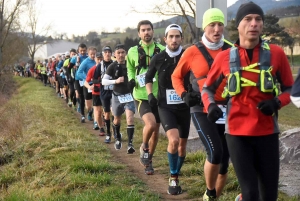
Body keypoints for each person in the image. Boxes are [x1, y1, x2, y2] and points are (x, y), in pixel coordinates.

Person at [201, 2, 294, 201]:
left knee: (269, 196)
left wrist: (276, 102)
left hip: (267, 132)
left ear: (262, 24)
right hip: (236, 134)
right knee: (251, 193)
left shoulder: (276, 54)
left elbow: (290, 89)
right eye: (248, 19)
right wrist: (210, 106)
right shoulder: (224, 58)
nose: (254, 24)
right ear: (238, 25)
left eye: (258, 19)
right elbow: (207, 88)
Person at [172, 8, 232, 200]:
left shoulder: (232, 50)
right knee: (214, 151)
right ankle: (210, 191)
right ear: (204, 27)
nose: (216, 29)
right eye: (212, 25)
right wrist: (183, 95)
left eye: (220, 24)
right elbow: (176, 76)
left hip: (227, 108)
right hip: (201, 107)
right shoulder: (192, 52)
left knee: (224, 161)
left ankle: (214, 197)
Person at [146, 24, 189, 195]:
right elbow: (148, 77)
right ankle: (173, 177)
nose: (174, 39)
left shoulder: (188, 56)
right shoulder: (158, 58)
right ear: (165, 39)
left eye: (177, 36)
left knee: (182, 147)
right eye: (170, 36)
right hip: (165, 106)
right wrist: (150, 94)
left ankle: (176, 173)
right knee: (174, 141)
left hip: (184, 106)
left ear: (181, 38)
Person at [127, 20, 165, 175]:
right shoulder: (132, 51)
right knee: (150, 124)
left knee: (156, 131)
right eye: (143, 30)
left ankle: (149, 160)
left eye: (149, 29)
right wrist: (131, 79)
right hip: (141, 95)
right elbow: (129, 67)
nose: (146, 32)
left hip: (159, 95)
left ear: (153, 31)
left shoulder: (162, 50)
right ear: (139, 33)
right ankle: (144, 147)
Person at [102, 44, 136, 153]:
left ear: (125, 53)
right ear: (114, 55)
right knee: (116, 119)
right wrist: (115, 81)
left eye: (122, 52)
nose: (121, 55)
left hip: (129, 95)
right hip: (117, 96)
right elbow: (104, 81)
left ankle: (130, 144)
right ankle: (117, 137)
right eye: (118, 53)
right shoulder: (112, 66)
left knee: (130, 118)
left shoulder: (130, 64)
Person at [93, 46, 114, 139]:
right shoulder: (99, 66)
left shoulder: (115, 64)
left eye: (109, 52)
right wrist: (101, 81)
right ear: (103, 54)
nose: (107, 54)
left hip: (114, 92)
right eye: (105, 52)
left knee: (115, 113)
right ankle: (108, 133)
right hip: (104, 92)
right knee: (107, 113)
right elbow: (93, 79)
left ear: (111, 54)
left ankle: (115, 132)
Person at [84, 52, 106, 136]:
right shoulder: (92, 69)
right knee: (98, 111)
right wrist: (89, 87)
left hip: (106, 92)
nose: (100, 60)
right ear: (95, 59)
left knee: (107, 111)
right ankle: (101, 128)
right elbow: (86, 82)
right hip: (96, 92)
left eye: (101, 59)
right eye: (98, 59)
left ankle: (106, 123)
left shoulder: (107, 68)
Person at [77, 46, 97, 124]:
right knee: (88, 106)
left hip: (97, 85)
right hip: (88, 85)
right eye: (91, 54)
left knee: (97, 104)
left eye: (94, 54)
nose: (93, 56)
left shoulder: (98, 61)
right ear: (88, 54)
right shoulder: (85, 62)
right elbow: (79, 73)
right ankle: (90, 111)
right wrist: (88, 78)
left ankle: (96, 121)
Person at [69, 43, 88, 122]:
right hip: (77, 79)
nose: (83, 52)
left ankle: (89, 111)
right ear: (78, 50)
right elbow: (68, 68)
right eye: (81, 51)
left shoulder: (88, 57)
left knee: (87, 97)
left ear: (86, 50)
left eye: (84, 50)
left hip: (86, 80)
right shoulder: (75, 58)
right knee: (81, 96)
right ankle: (83, 115)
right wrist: (69, 77)